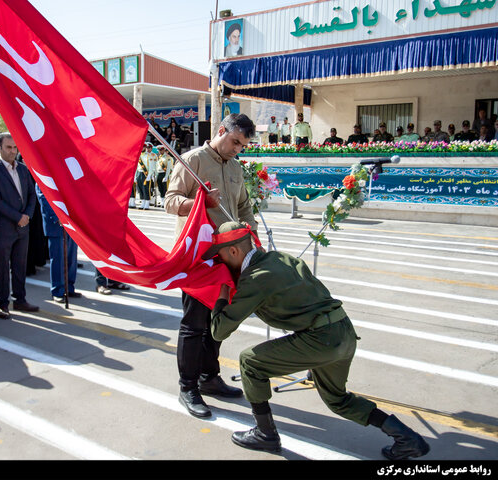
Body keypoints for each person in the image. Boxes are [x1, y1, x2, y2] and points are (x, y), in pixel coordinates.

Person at [203, 221, 431, 460]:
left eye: (220, 257)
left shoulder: (255, 278)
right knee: (338, 399)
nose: (221, 262)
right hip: (343, 331)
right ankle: (407, 439)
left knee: (250, 362)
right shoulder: (281, 258)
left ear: (234, 251)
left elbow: (219, 331)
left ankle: (266, 434)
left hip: (319, 339)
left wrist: (222, 295)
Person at [164, 113, 258, 418]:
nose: (236, 149)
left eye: (242, 146)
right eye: (234, 142)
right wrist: (199, 202)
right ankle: (187, 386)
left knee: (217, 324)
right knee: (194, 325)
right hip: (199, 255)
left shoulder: (234, 167)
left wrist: (250, 230)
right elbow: (169, 201)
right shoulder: (192, 160)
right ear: (221, 131)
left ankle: (209, 378)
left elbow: (243, 204)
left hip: (229, 256)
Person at [0, 132, 38, 319]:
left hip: (23, 228)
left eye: (15, 147)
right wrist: (18, 217)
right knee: (1, 267)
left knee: (19, 266)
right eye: (8, 147)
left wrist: (27, 216)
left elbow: (32, 195)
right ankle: (2, 303)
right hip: (3, 228)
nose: (13, 151)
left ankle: (20, 300)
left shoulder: (23, 170)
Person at [36, 184, 81, 303]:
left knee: (71, 257)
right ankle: (57, 290)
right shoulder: (45, 172)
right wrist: (57, 217)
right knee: (58, 258)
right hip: (56, 223)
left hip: (71, 221)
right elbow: (43, 196)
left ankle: (69, 287)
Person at [17, 152, 48, 276]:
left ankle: (37, 260)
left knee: (36, 237)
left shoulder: (33, 173)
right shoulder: (19, 174)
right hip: (23, 214)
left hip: (35, 212)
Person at [135, 142, 153, 210]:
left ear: (145, 148)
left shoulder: (149, 155)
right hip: (139, 173)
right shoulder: (138, 155)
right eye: (141, 147)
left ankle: (147, 203)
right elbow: (137, 166)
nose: (142, 148)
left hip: (145, 174)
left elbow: (151, 166)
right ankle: (142, 202)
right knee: (140, 188)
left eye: (144, 147)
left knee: (146, 189)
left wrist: (149, 175)